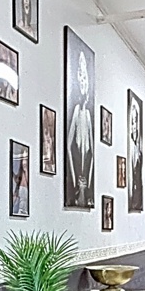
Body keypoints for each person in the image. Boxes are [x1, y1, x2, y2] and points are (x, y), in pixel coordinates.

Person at [65, 50, 94, 202]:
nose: (83, 81)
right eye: (80, 75)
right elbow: (68, 147)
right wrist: (75, 178)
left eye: (85, 76)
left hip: (83, 177)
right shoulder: (76, 111)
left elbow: (93, 152)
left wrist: (88, 180)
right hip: (78, 175)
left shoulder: (87, 115)